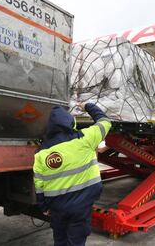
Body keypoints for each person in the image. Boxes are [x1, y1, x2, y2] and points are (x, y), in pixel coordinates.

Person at [33, 103, 112, 246]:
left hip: (57, 208)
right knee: (76, 242)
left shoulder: (41, 154)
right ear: (71, 122)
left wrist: (44, 207)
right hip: (80, 207)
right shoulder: (85, 139)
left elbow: (39, 185)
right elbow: (105, 121)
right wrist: (87, 106)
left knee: (60, 240)